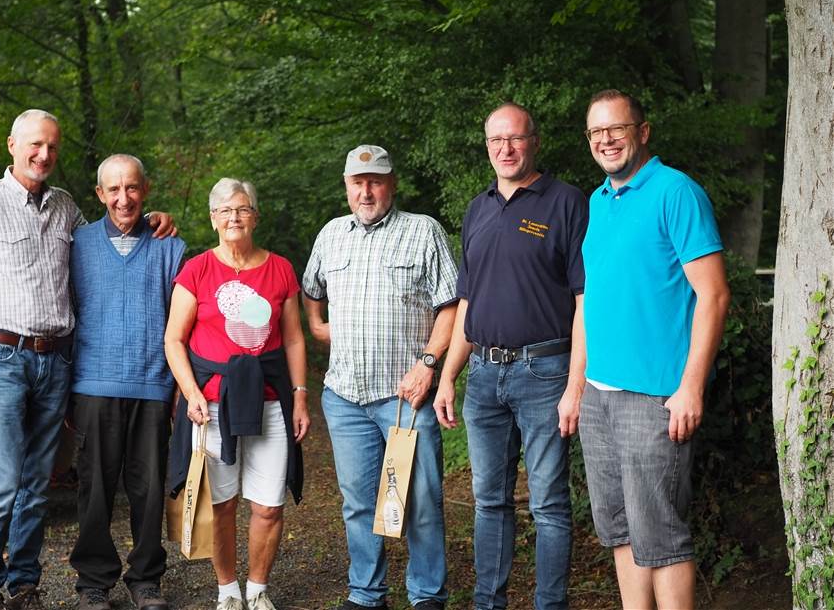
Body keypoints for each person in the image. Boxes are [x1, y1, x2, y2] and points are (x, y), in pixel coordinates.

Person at [0, 109, 173, 610]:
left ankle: (23, 585)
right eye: (35, 145)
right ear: (13, 145)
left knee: (39, 484)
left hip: (55, 363)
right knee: (3, 482)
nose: (44, 154)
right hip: (3, 357)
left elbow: (109, 241)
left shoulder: (66, 208)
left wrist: (154, 221)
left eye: (53, 147)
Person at [573, 89, 730, 609]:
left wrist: (690, 387)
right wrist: (577, 387)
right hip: (598, 395)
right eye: (596, 132)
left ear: (643, 131)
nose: (606, 140)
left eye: (616, 128)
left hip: (654, 396)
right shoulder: (598, 201)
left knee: (660, 536)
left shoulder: (675, 192)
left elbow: (713, 293)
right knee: (618, 531)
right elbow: (592, 300)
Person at [433, 104, 588, 610]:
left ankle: (550, 605)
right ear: (486, 147)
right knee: (489, 501)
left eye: (515, 139)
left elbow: (586, 300)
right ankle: (488, 602)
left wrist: (575, 385)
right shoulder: (477, 210)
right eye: (495, 140)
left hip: (545, 371)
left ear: (534, 142)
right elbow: (466, 303)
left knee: (547, 503)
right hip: (482, 377)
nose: (505, 148)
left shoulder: (566, 202)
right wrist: (447, 376)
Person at [302, 145, 459, 610]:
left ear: (392, 184)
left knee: (421, 501)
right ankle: (366, 594)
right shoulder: (331, 235)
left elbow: (451, 305)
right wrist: (316, 325)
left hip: (405, 397)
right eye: (358, 181)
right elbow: (311, 289)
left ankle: (427, 595)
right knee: (358, 503)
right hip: (346, 396)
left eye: (375, 181)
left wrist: (428, 364)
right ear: (347, 186)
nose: (366, 190)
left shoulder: (423, 231)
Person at [164, 177, 310, 610]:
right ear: (213, 219)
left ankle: (258, 588)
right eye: (225, 210)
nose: (234, 217)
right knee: (222, 503)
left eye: (242, 209)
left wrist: (300, 394)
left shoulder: (280, 268)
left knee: (268, 506)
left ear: (255, 217)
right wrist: (189, 393)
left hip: (268, 399)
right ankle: (228, 591)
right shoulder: (196, 270)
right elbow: (174, 340)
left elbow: (295, 340)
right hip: (210, 405)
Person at [68, 155, 186, 610]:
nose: (123, 198)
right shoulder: (76, 244)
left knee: (149, 487)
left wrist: (180, 386)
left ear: (146, 189)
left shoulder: (171, 248)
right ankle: (93, 582)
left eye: (132, 188)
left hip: (153, 384)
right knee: (94, 489)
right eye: (113, 190)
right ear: (99, 195)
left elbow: (185, 326)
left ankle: (145, 579)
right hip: (93, 383)